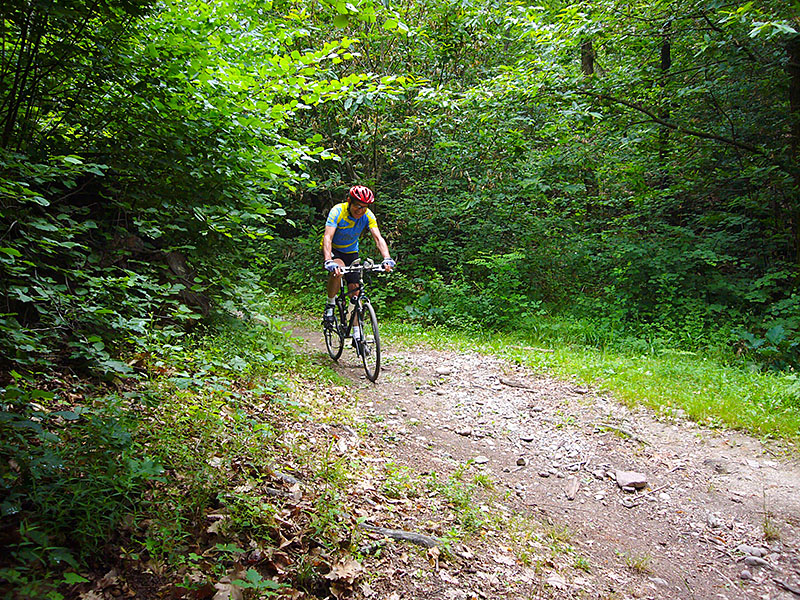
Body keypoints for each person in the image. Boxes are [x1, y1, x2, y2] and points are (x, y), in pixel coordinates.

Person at [321, 185, 395, 329]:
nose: (360, 211)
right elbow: (328, 237)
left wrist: (387, 258)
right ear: (349, 201)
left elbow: (378, 238)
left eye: (364, 207)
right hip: (334, 250)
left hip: (351, 252)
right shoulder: (337, 211)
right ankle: (330, 304)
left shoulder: (368, 215)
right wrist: (328, 260)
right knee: (338, 271)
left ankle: (356, 333)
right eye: (357, 206)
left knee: (355, 292)